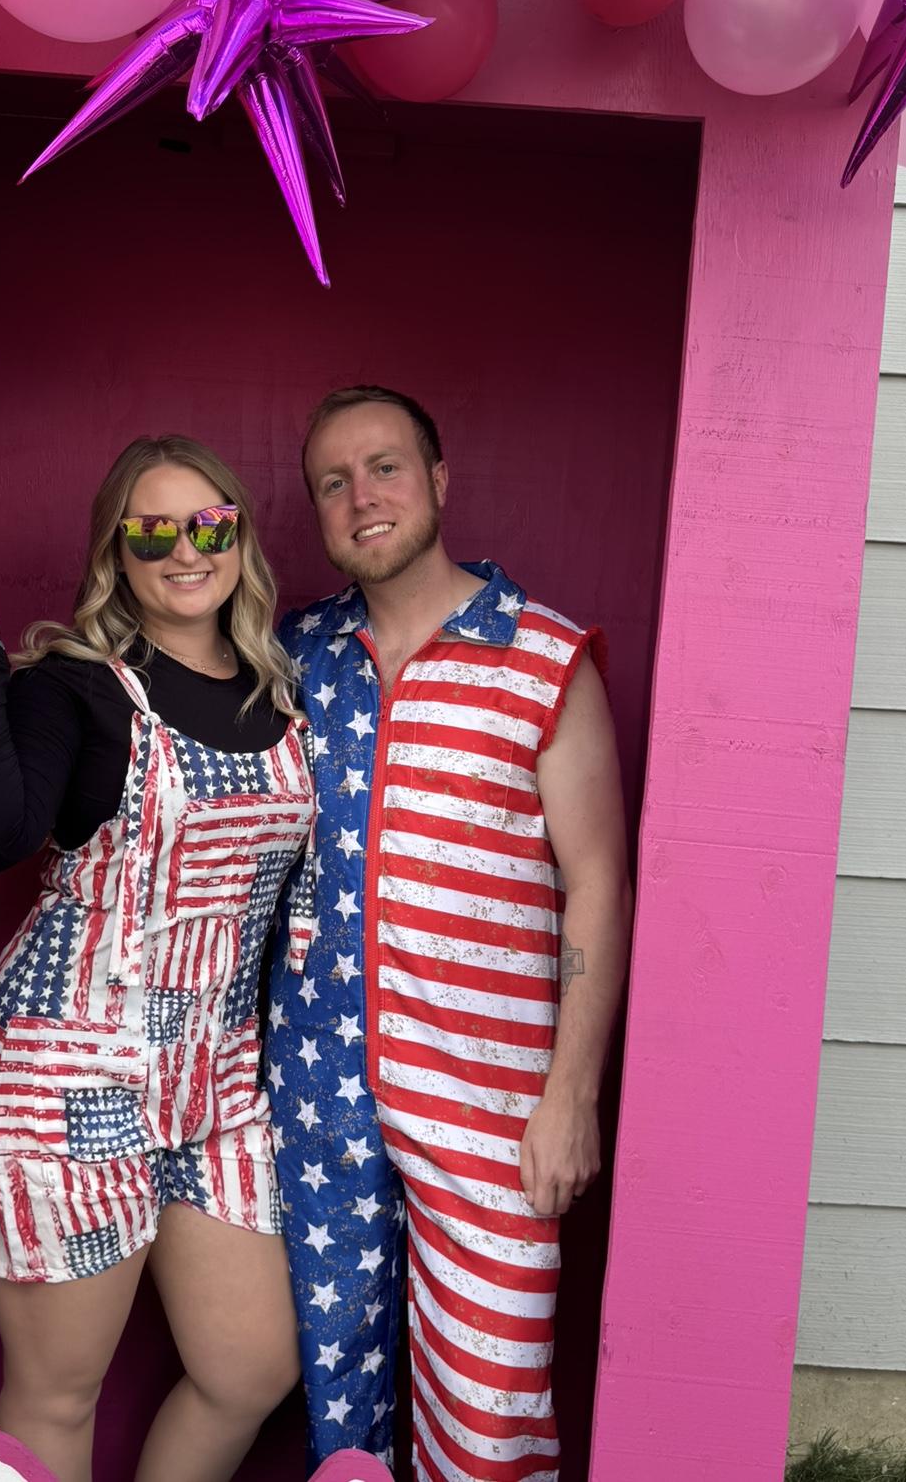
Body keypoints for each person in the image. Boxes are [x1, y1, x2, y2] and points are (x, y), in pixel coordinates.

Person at [0, 435, 315, 1482]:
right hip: (64, 1070)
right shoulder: (78, 688)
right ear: (115, 553)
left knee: (251, 1370)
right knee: (59, 1390)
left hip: (217, 1079)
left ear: (240, 538)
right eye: (153, 531)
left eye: (210, 526)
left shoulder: (282, 693)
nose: (185, 551)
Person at [268, 387, 633, 1481]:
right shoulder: (295, 656)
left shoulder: (542, 656)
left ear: (437, 480)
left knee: (487, 1417)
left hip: (490, 1098)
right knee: (340, 1411)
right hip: (320, 1086)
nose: (361, 497)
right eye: (333, 482)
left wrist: (571, 1094)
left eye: (384, 467)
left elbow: (598, 881)